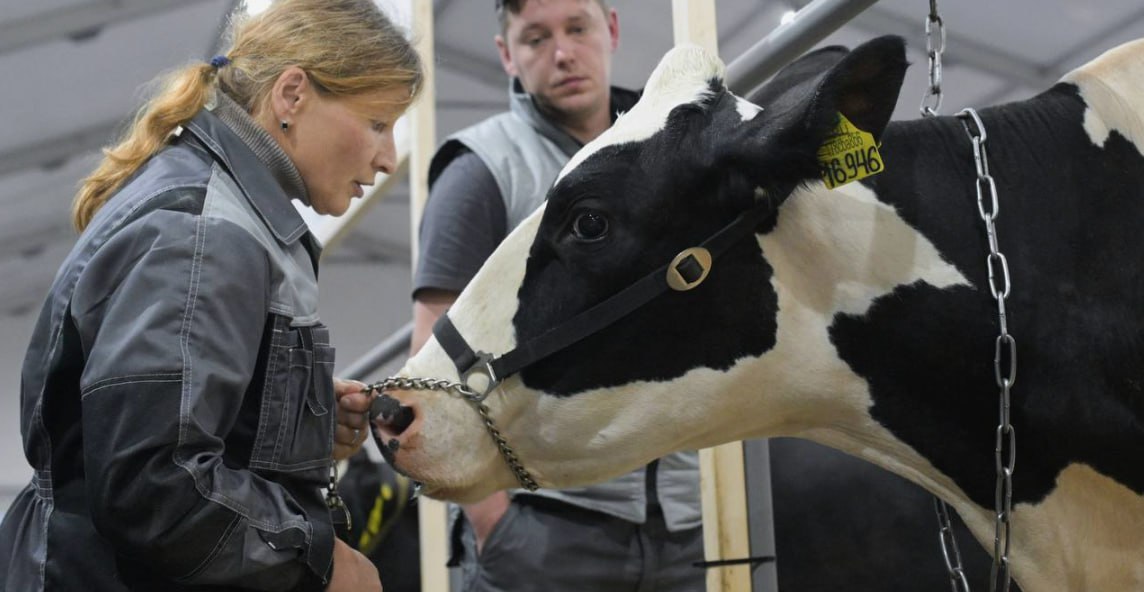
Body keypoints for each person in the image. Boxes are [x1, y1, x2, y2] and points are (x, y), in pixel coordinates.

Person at [0, 1, 421, 590]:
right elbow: (153, 485)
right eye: (378, 123)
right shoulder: (203, 234)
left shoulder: (217, 211)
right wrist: (319, 559)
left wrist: (295, 419)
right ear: (292, 95)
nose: (387, 157)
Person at [412, 1, 704, 590]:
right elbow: (434, 347)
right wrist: (497, 526)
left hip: (686, 521)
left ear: (612, 30)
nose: (563, 53)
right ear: (506, 55)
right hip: (545, 527)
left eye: (578, 28)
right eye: (536, 38)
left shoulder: (673, 152)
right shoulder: (480, 170)